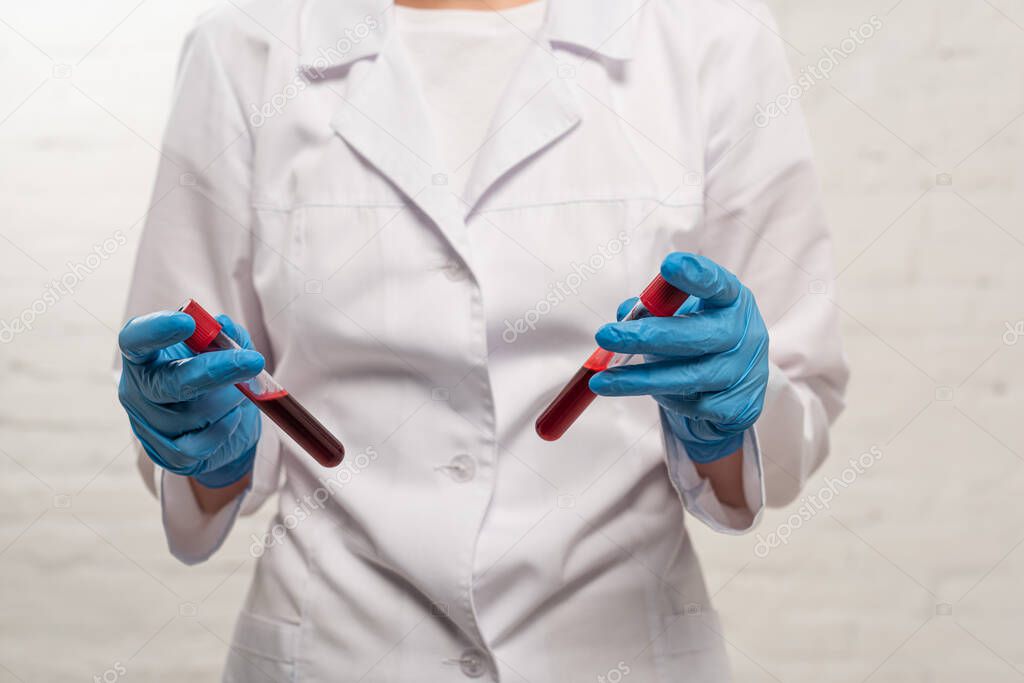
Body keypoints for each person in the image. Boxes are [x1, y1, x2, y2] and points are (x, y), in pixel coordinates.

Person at [116, 0, 848, 680]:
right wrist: (207, 448)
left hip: (617, 648)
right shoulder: (244, 48)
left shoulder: (709, 36)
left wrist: (727, 426)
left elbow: (795, 402)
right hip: (339, 647)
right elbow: (190, 377)